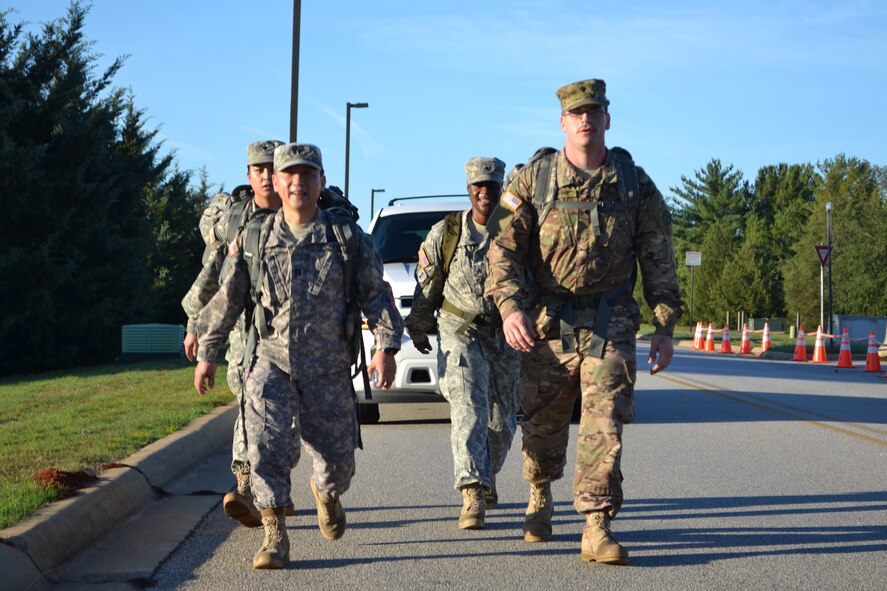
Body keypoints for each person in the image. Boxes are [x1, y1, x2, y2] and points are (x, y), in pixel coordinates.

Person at [485, 79, 684, 565]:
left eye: (594, 111)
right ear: (562, 122)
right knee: (543, 427)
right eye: (576, 113)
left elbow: (657, 253)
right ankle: (539, 492)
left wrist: (664, 324)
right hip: (546, 324)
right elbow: (503, 249)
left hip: (609, 318)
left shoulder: (632, 182)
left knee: (605, 420)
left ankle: (596, 525)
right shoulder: (535, 179)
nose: (585, 120)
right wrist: (510, 308)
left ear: (607, 119)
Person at [193, 143, 403, 569]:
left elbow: (375, 296)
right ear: (278, 179)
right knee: (266, 448)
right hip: (270, 359)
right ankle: (275, 535)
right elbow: (229, 297)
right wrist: (208, 351)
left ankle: (326, 493)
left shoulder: (346, 239)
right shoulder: (256, 237)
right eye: (289, 174)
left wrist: (385, 347)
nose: (296, 182)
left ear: (320, 182)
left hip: (327, 366)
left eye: (307, 175)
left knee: (337, 461)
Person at [405, 157, 522, 530]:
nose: (485, 193)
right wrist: (419, 325)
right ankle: (472, 492)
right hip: (461, 331)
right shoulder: (448, 232)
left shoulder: (516, 229)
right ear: (469, 189)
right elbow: (428, 283)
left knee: (503, 420)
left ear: (501, 187)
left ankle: (485, 477)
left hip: (505, 334)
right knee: (468, 408)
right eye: (478, 187)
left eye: (491, 186)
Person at [181, 140, 290, 528]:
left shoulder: (302, 215)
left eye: (270, 168)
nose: (264, 175)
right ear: (249, 175)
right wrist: (197, 327)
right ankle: (246, 486)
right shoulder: (236, 221)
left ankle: (273, 483)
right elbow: (212, 279)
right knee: (249, 407)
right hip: (245, 334)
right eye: (257, 169)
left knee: (287, 429)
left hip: (293, 341)